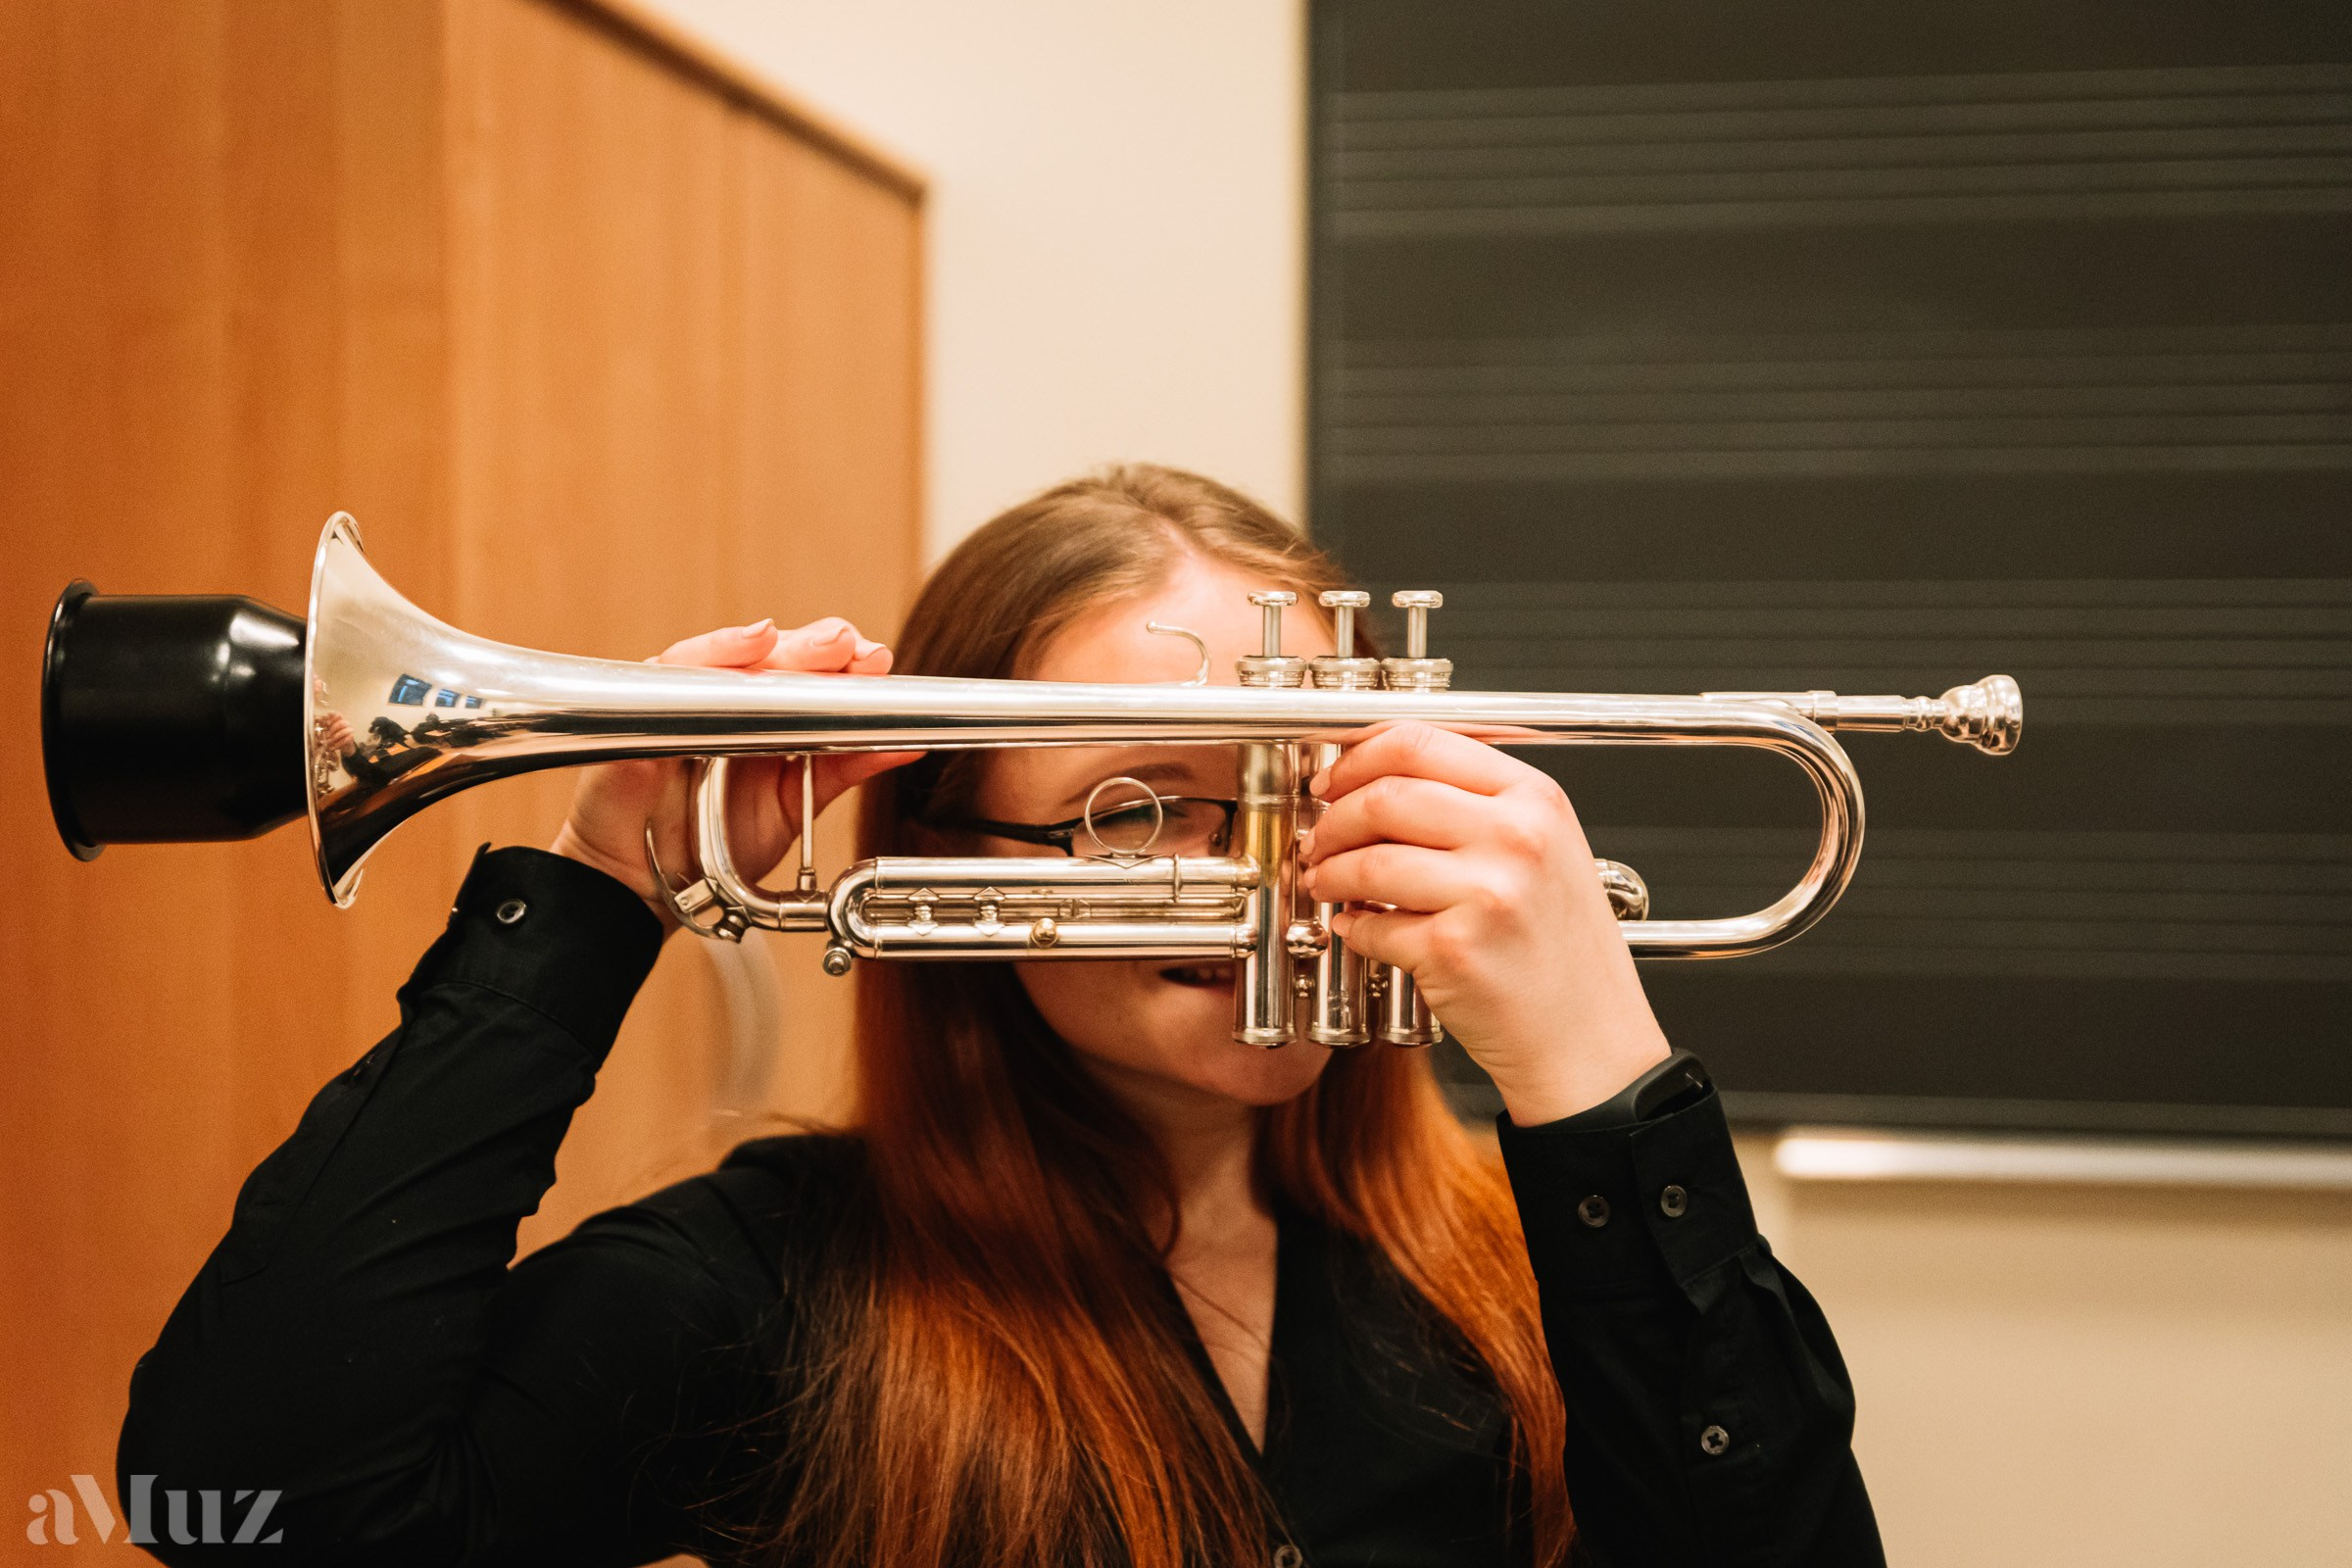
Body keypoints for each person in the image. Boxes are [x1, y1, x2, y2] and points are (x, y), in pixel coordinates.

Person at [120, 466, 1884, 1566]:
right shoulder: (779, 1288)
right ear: (947, 847)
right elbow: (259, 1501)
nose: (1269, 873)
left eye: (1306, 784)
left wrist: (1598, 1071)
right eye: (1145, 803)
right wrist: (600, 893)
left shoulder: (1536, 1267)